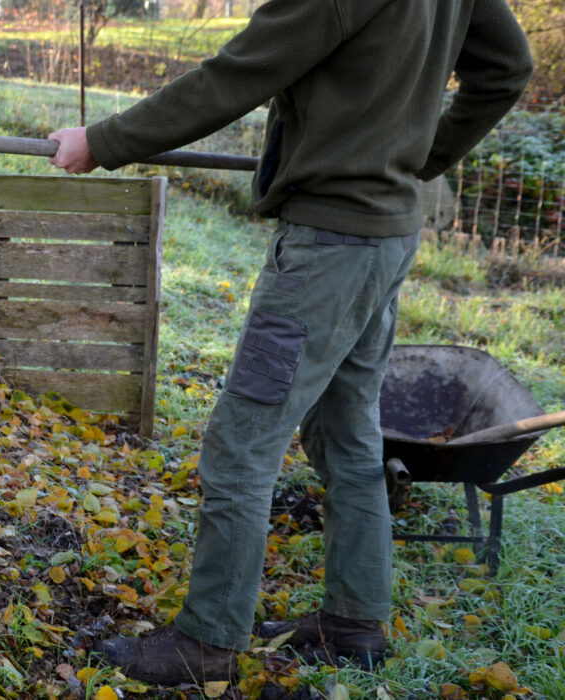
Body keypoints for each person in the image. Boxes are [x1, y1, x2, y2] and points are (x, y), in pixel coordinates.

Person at [47, 0, 532, 686]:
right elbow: (508, 68)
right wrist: (421, 157)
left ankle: (208, 640)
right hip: (386, 235)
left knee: (242, 442)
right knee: (348, 434)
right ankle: (355, 623)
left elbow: (234, 75)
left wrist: (103, 139)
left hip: (327, 253)